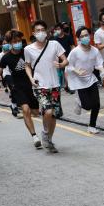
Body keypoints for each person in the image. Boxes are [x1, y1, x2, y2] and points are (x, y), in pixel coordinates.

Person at [0, 30, 42, 149]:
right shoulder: (6, 57)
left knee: (35, 112)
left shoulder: (28, 51)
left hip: (32, 85)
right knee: (25, 110)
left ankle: (31, 121)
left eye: (19, 41)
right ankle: (34, 136)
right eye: (15, 41)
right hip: (18, 87)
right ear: (10, 43)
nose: (17, 43)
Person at [24, 20, 68, 153]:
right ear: (33, 33)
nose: (40, 32)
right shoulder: (28, 49)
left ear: (47, 31)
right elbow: (27, 65)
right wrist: (31, 78)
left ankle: (48, 139)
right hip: (40, 85)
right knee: (47, 111)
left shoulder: (54, 44)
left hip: (54, 85)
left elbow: (65, 60)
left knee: (53, 115)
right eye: (38, 30)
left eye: (43, 29)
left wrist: (61, 65)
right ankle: (44, 132)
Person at [67, 27, 104, 134]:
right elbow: (68, 66)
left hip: (91, 78)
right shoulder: (75, 52)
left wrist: (102, 71)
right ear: (79, 39)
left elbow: (99, 63)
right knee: (88, 106)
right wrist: (77, 71)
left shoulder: (95, 50)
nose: (85, 38)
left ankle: (92, 126)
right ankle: (79, 101)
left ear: (90, 35)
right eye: (82, 36)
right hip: (79, 81)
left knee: (96, 104)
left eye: (86, 35)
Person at [0, 36, 20, 117]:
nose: (6, 44)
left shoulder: (13, 52)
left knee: (16, 89)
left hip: (15, 73)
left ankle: (14, 105)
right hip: (6, 74)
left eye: (7, 43)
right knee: (13, 88)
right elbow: (0, 67)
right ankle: (14, 106)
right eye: (4, 44)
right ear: (1, 45)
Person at [53, 23, 75, 93]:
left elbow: (72, 46)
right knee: (65, 72)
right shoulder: (55, 39)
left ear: (62, 29)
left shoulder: (68, 37)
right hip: (60, 59)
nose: (57, 31)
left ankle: (68, 86)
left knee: (70, 72)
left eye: (58, 29)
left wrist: (73, 54)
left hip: (69, 57)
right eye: (56, 29)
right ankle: (69, 86)